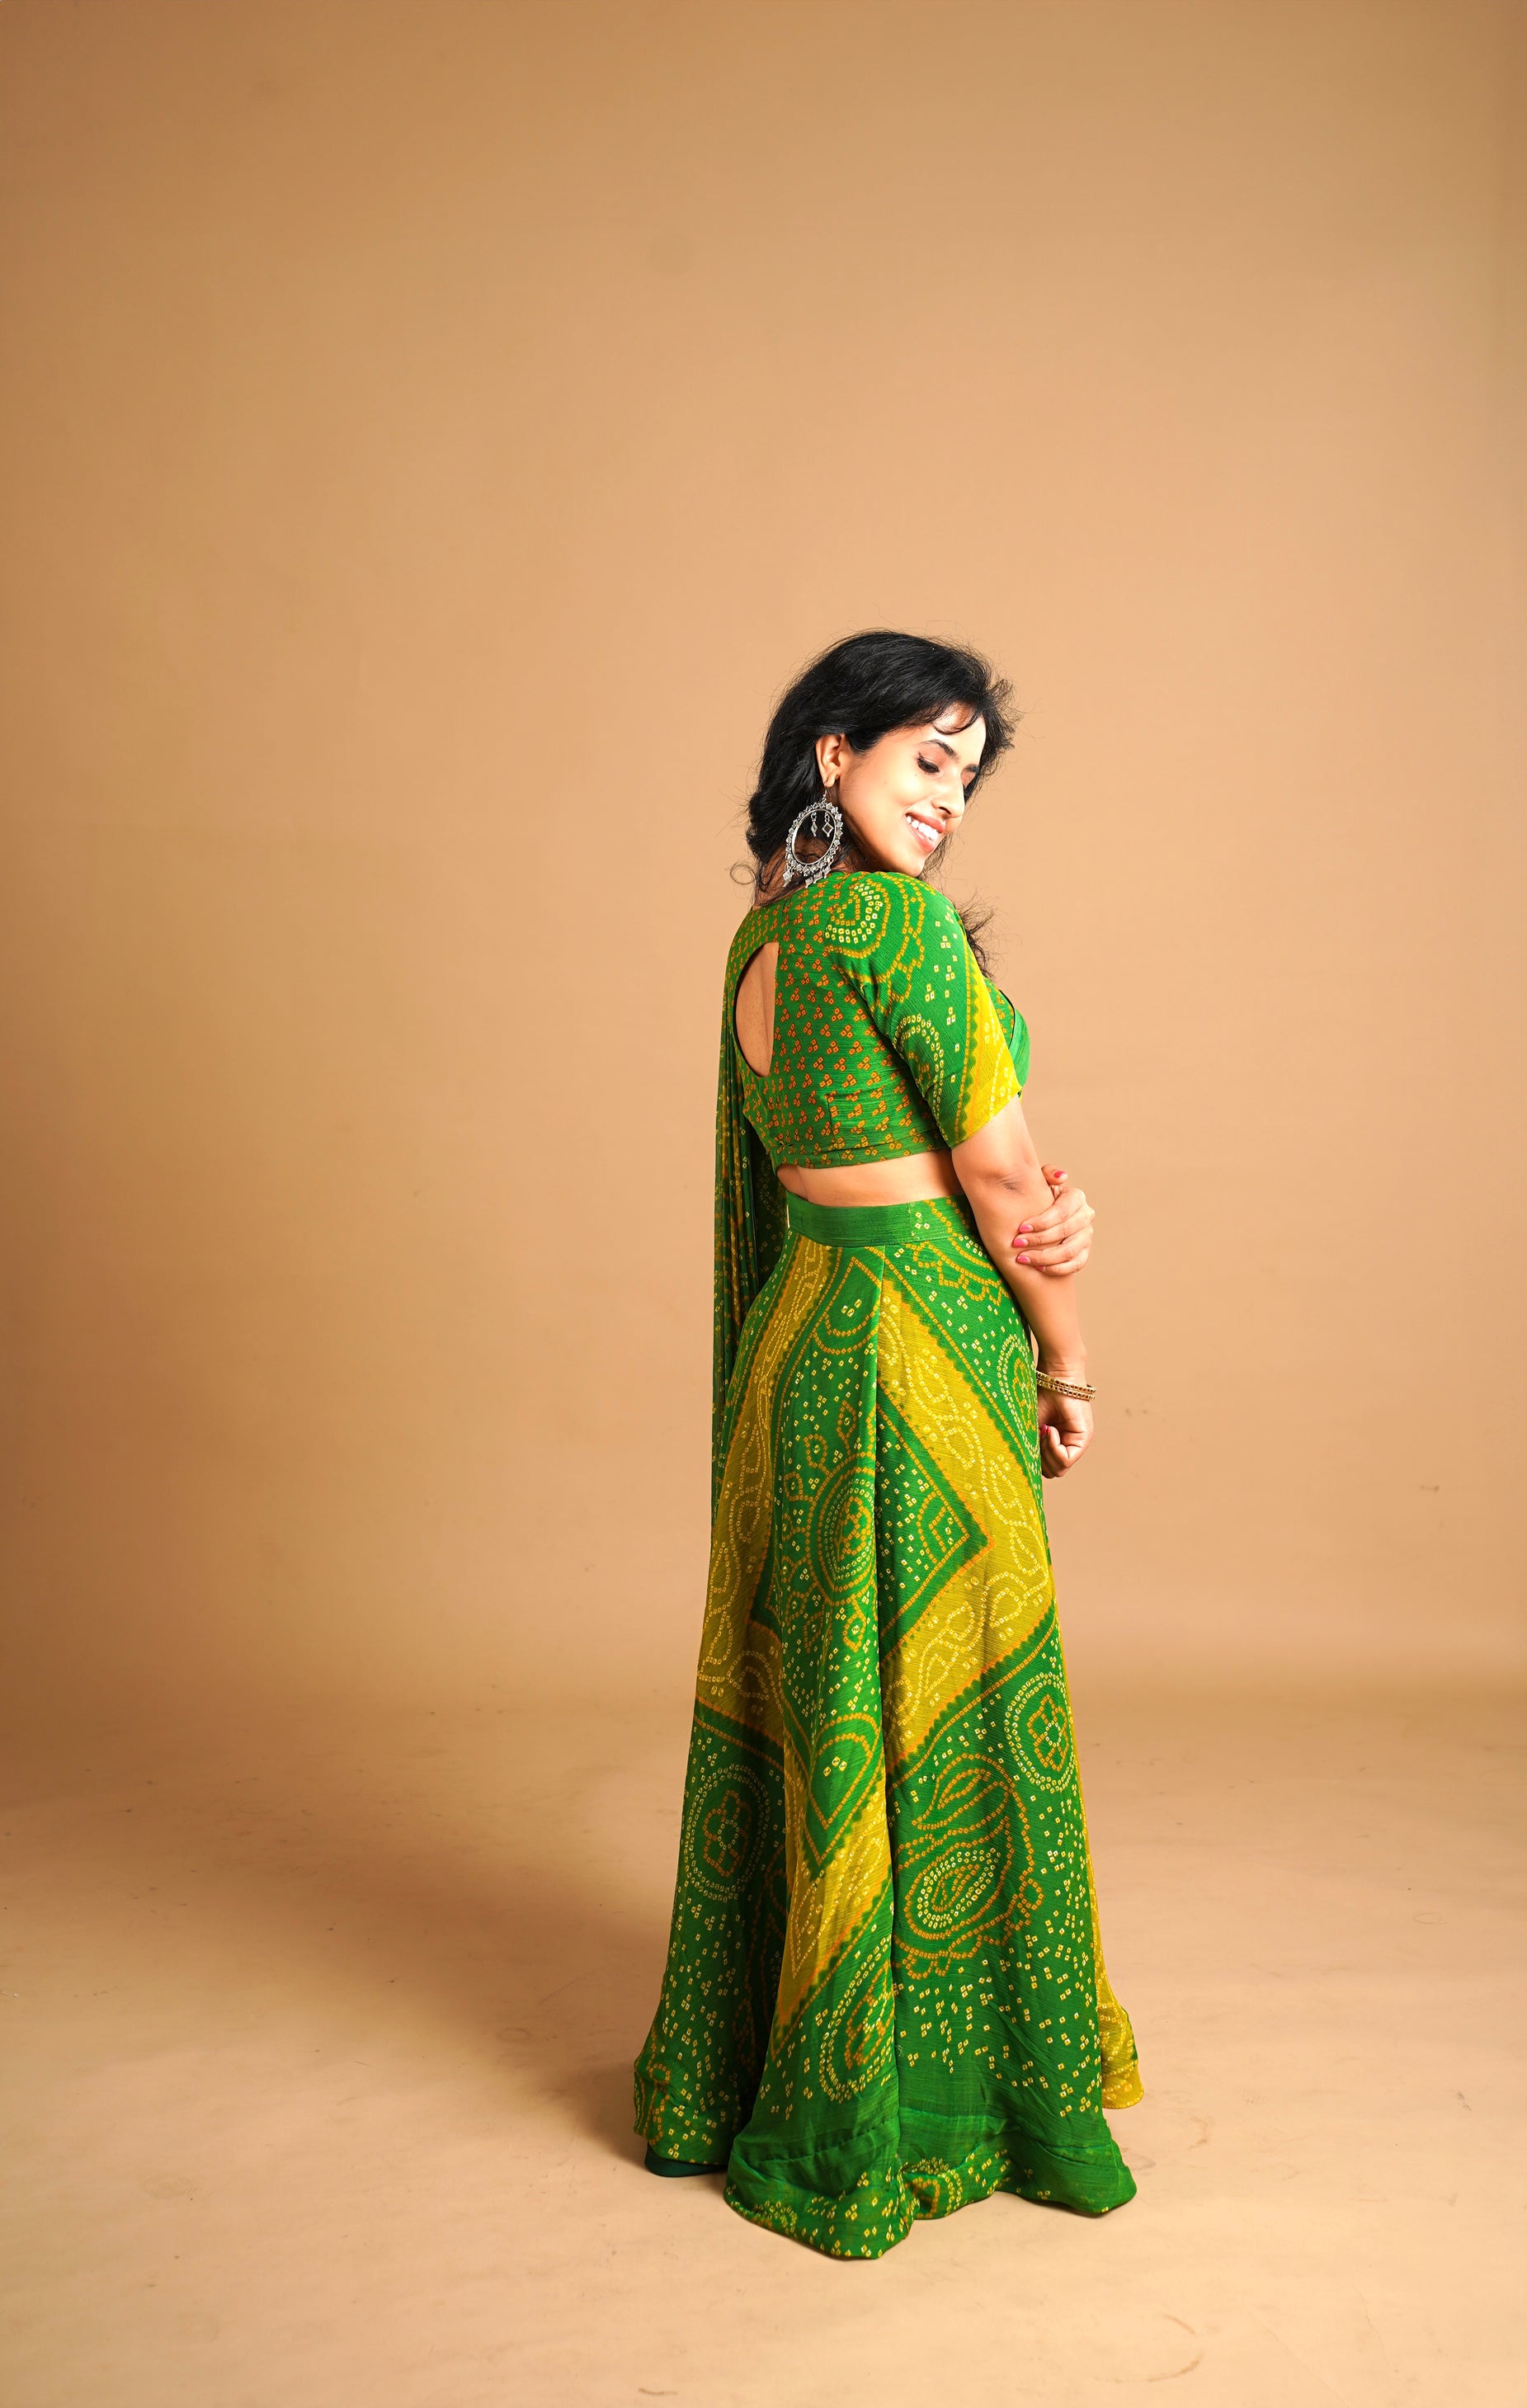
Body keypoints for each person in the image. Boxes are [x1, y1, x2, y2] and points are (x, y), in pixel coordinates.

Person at [632, 631, 1142, 2259]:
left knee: (839, 1691)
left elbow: (866, 1155)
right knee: (944, 1696)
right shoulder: (896, 927)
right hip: (922, 1345)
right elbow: (995, 1181)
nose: (949, 799)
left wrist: (1034, 1203)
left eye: (967, 776)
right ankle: (934, 2096)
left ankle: (772, 2066)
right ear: (832, 752)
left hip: (805, 1341)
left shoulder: (765, 938)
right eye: (929, 757)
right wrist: (1068, 1355)